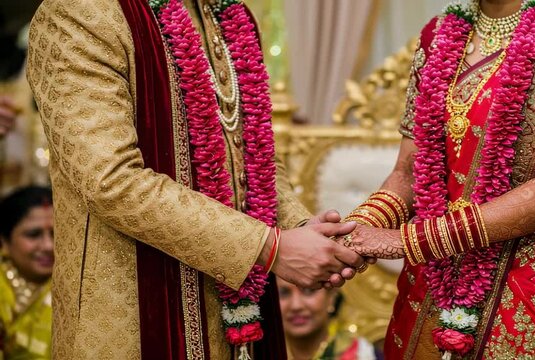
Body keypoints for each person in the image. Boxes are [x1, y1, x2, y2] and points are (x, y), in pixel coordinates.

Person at [26, 0, 367, 359]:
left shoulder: (225, 14)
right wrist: (272, 247)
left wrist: (301, 229)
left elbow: (254, 157)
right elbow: (111, 181)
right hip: (135, 310)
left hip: (242, 310)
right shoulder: (81, 12)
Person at [337, 0, 535, 358]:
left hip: (533, 279)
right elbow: (407, 170)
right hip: (433, 279)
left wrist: (405, 242)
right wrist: (356, 229)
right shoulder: (436, 36)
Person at [0, 186, 54, 359]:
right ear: (4, 242)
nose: (48, 246)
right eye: (33, 234)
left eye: (56, 234)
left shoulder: (78, 289)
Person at [277, 277, 379, 360]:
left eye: (308, 290)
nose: (296, 305)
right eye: (283, 293)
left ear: (332, 296)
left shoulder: (363, 354)